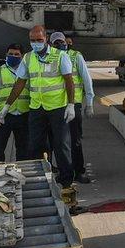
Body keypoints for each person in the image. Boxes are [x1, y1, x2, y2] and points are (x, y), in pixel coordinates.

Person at [3, 25, 77, 202]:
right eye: (32, 40)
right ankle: (40, 180)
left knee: (61, 146)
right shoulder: (28, 58)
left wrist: (71, 104)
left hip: (58, 108)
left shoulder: (60, 56)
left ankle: (67, 183)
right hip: (37, 108)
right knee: (35, 146)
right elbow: (20, 82)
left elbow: (69, 81)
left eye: (39, 40)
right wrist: (7, 105)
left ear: (46, 39)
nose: (35, 43)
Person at [53, 33, 94, 183]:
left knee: (75, 140)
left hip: (74, 104)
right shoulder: (50, 58)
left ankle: (78, 171)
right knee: (59, 142)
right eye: (56, 43)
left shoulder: (76, 56)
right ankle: (64, 172)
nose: (60, 45)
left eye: (62, 42)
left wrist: (89, 102)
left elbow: (86, 79)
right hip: (57, 105)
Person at [0, 43, 31, 163]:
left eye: (17, 54)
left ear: (22, 56)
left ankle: (22, 174)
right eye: (10, 54)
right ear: (6, 55)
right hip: (3, 116)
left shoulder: (28, 72)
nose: (13, 56)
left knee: (23, 150)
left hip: (23, 115)